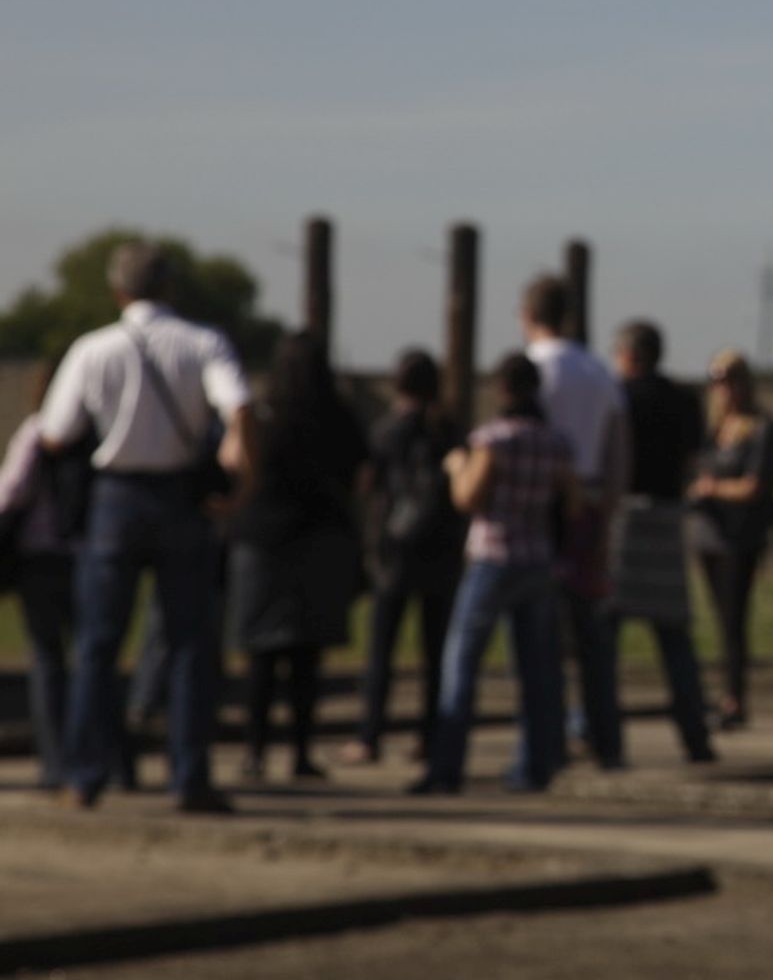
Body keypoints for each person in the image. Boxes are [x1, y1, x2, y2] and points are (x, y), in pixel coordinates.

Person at [38, 240, 255, 814]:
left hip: (115, 497)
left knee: (98, 643)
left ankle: (85, 775)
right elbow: (239, 409)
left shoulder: (93, 349)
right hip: (181, 496)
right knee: (189, 643)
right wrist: (242, 483)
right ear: (169, 287)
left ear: (118, 291)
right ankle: (189, 776)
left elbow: (56, 432)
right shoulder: (204, 342)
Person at [411, 354, 573, 795]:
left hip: (492, 556)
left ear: (502, 389)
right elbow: (572, 501)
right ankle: (535, 765)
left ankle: (447, 766)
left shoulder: (492, 439)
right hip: (537, 557)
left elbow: (468, 497)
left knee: (461, 663)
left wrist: (455, 468)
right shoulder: (555, 441)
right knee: (535, 669)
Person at [226, 331, 368, 782]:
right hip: (321, 540)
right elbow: (360, 476)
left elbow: (234, 462)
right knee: (308, 658)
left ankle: (254, 751)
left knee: (262, 656)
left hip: (262, 541)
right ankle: (302, 753)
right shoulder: (340, 417)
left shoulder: (263, 416)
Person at [521, 274, 630, 772]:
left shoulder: (530, 368)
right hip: (589, 502)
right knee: (592, 634)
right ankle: (607, 741)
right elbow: (618, 449)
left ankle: (545, 743)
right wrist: (607, 513)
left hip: (538, 506)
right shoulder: (599, 371)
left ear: (527, 314)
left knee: (539, 636)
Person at [341, 348, 465, 766]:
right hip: (441, 551)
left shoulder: (387, 431)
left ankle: (370, 735)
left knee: (382, 651)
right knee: (436, 654)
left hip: (394, 550)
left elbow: (367, 484)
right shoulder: (449, 430)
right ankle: (430, 736)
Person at [608, 319, 715, 764]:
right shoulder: (683, 399)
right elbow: (695, 455)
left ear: (628, 355)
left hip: (625, 518)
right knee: (674, 636)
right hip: (669, 518)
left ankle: (602, 737)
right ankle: (695, 735)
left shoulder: (617, 396)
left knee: (604, 636)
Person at [689, 349, 773, 729]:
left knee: (733, 619)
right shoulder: (713, 428)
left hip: (739, 538)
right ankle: (724, 692)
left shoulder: (761, 429)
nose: (724, 389)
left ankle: (734, 698)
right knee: (717, 619)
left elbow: (754, 486)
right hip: (708, 534)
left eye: (730, 380)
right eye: (717, 381)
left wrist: (713, 489)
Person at [0, 360, 80, 789]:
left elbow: (10, 491)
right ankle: (113, 758)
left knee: (48, 658)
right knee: (94, 657)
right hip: (90, 555)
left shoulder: (38, 430)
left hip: (41, 556)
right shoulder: (98, 431)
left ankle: (57, 762)